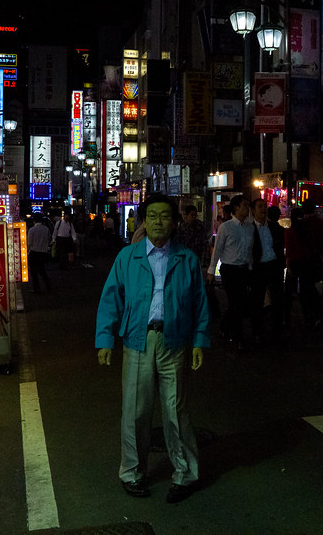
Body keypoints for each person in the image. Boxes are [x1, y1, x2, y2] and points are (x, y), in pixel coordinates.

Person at [95, 193, 211, 503]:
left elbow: (200, 303)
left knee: (176, 410)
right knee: (135, 411)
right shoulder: (128, 257)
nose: (159, 221)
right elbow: (111, 300)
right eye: (153, 216)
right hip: (138, 339)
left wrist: (200, 340)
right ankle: (132, 472)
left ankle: (185, 474)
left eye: (165, 216)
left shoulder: (186, 259)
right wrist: (105, 339)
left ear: (174, 223)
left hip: (174, 340)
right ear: (143, 221)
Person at [206, 195, 253, 348]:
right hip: (229, 270)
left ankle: (225, 327)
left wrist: (250, 268)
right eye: (244, 205)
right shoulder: (225, 227)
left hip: (244, 269)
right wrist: (211, 271)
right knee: (235, 302)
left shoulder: (250, 227)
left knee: (238, 302)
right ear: (236, 208)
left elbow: (249, 250)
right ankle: (237, 337)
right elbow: (217, 249)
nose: (247, 208)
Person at [250, 201, 287, 342]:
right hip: (258, 268)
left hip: (274, 266)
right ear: (253, 210)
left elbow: (280, 245)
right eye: (259, 207)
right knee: (257, 300)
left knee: (278, 299)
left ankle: (277, 329)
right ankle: (257, 330)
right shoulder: (249, 228)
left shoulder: (275, 227)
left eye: (264, 207)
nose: (263, 209)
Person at [286, 202, 323, 327]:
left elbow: (291, 248)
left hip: (300, 261)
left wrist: (289, 263)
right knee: (308, 288)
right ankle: (316, 315)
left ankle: (313, 315)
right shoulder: (321, 223)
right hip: (314, 260)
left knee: (304, 290)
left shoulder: (300, 226)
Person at [26, 216, 53, 294]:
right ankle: (48, 285)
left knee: (34, 272)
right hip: (43, 253)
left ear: (34, 221)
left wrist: (28, 251)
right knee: (42, 270)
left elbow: (29, 243)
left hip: (34, 252)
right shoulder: (46, 229)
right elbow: (49, 239)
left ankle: (36, 288)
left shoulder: (32, 230)